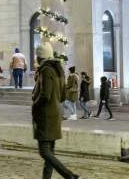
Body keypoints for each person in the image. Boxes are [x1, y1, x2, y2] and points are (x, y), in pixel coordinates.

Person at [32, 42, 79, 179]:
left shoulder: (46, 70)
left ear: (40, 57)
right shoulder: (59, 70)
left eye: (37, 56)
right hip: (55, 113)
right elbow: (63, 96)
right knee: (50, 153)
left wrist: (35, 105)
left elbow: (45, 94)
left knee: (45, 152)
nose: (36, 58)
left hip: (45, 115)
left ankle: (70, 176)